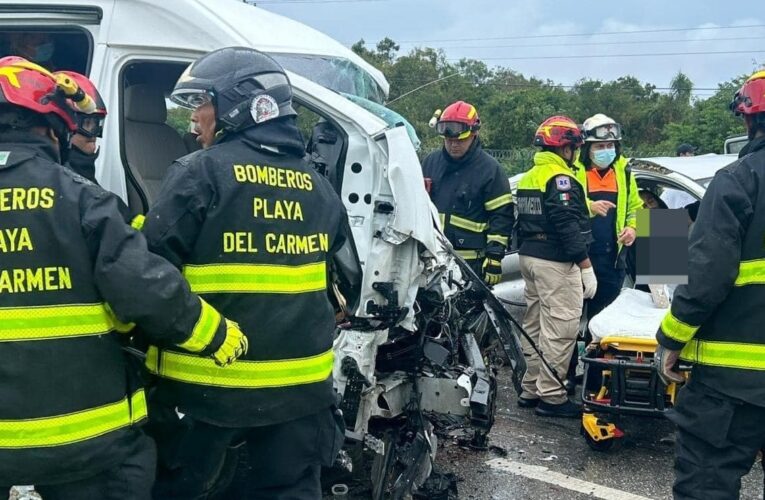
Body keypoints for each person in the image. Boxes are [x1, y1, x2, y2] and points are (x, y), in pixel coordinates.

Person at [0, 56, 246, 499]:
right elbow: (145, 286)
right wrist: (213, 333)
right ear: (53, 126)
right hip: (83, 442)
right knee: (129, 471)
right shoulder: (82, 201)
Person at [141, 47, 348, 499]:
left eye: (201, 104)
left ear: (238, 105)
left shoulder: (199, 174)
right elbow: (344, 279)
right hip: (301, 399)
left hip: (206, 396)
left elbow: (148, 274)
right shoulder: (320, 185)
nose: (194, 120)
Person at [656, 69, 765, 500]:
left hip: (730, 385)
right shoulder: (657, 204)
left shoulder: (738, 179)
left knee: (706, 484)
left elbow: (705, 277)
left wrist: (671, 337)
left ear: (748, 121)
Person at [514, 115, 595, 418]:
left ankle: (531, 388)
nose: (576, 154)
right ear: (565, 148)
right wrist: (585, 265)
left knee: (534, 325)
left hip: (530, 257)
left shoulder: (530, 177)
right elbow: (565, 223)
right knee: (561, 328)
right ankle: (552, 397)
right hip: (555, 260)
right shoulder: (561, 178)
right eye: (575, 148)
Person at [421, 100, 513, 285]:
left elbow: (502, 217)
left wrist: (494, 256)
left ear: (474, 134)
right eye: (449, 140)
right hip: (430, 260)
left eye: (460, 140)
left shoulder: (490, 169)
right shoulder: (430, 163)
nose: (454, 145)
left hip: (470, 264)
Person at [56, 70, 106, 183]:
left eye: (97, 124)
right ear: (62, 127)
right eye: (87, 124)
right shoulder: (56, 182)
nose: (94, 136)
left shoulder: (85, 177)